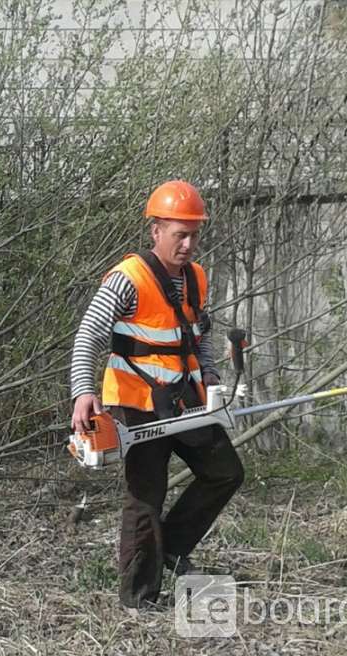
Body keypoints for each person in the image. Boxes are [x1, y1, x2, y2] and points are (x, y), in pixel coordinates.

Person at [69, 180, 243, 609]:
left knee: (225, 471)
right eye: (178, 234)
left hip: (184, 398)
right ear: (155, 231)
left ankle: (171, 547)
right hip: (135, 403)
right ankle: (138, 598)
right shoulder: (127, 278)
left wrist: (213, 382)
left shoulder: (197, 278)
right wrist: (82, 392)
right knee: (146, 496)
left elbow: (198, 336)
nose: (187, 244)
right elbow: (89, 335)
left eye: (194, 234)